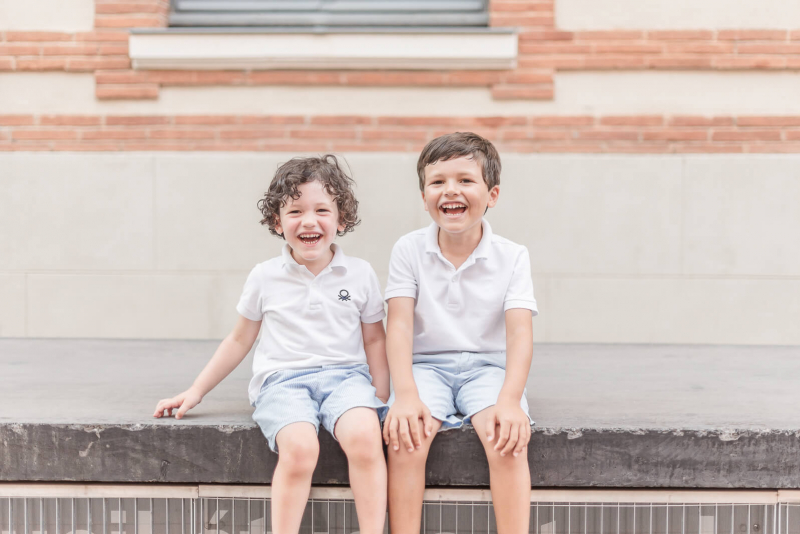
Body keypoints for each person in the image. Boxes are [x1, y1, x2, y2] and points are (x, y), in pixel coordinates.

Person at [153, 155, 389, 534]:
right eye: (295, 210)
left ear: (341, 219)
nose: (309, 220)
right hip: (283, 382)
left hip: (347, 380)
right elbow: (239, 338)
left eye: (322, 210)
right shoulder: (265, 277)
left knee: (365, 438)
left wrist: (381, 398)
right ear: (277, 222)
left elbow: (375, 339)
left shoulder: (360, 274)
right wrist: (196, 391)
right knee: (300, 448)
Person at [383, 132, 538, 534]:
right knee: (406, 439)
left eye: (465, 180)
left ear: (493, 194)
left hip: (487, 368)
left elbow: (520, 334)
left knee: (505, 440)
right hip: (425, 367)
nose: (450, 190)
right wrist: (405, 395)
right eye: (437, 182)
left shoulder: (512, 255)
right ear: (424, 196)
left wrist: (509, 400)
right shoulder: (408, 249)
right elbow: (398, 324)